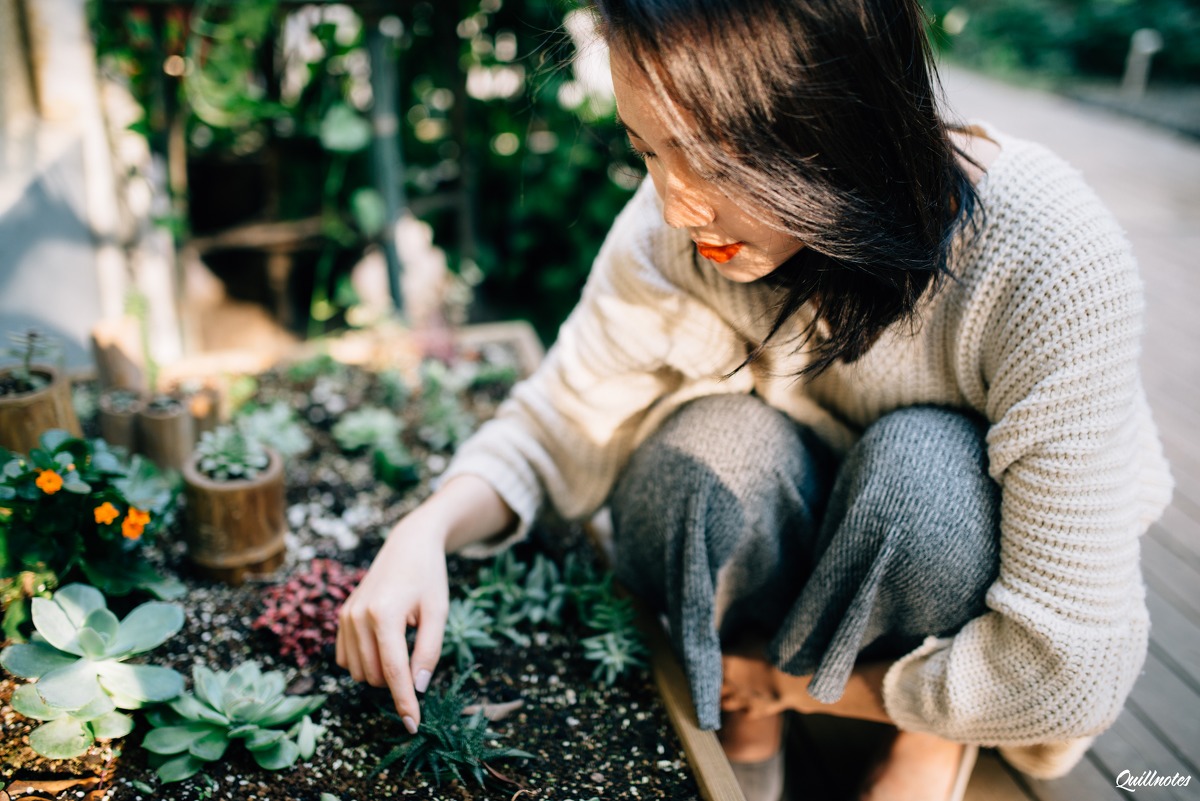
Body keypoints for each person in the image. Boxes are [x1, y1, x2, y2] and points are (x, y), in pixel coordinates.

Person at [336, 1, 1174, 799]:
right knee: (705, 456)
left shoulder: (1050, 259)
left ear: (842, 108)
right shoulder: (673, 236)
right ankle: (748, 722)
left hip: (939, 579)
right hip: (807, 542)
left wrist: (787, 688)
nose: (676, 203)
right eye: (649, 150)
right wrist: (427, 530)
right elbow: (562, 418)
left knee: (927, 481)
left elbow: (1068, 670)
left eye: (716, 158)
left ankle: (928, 731)